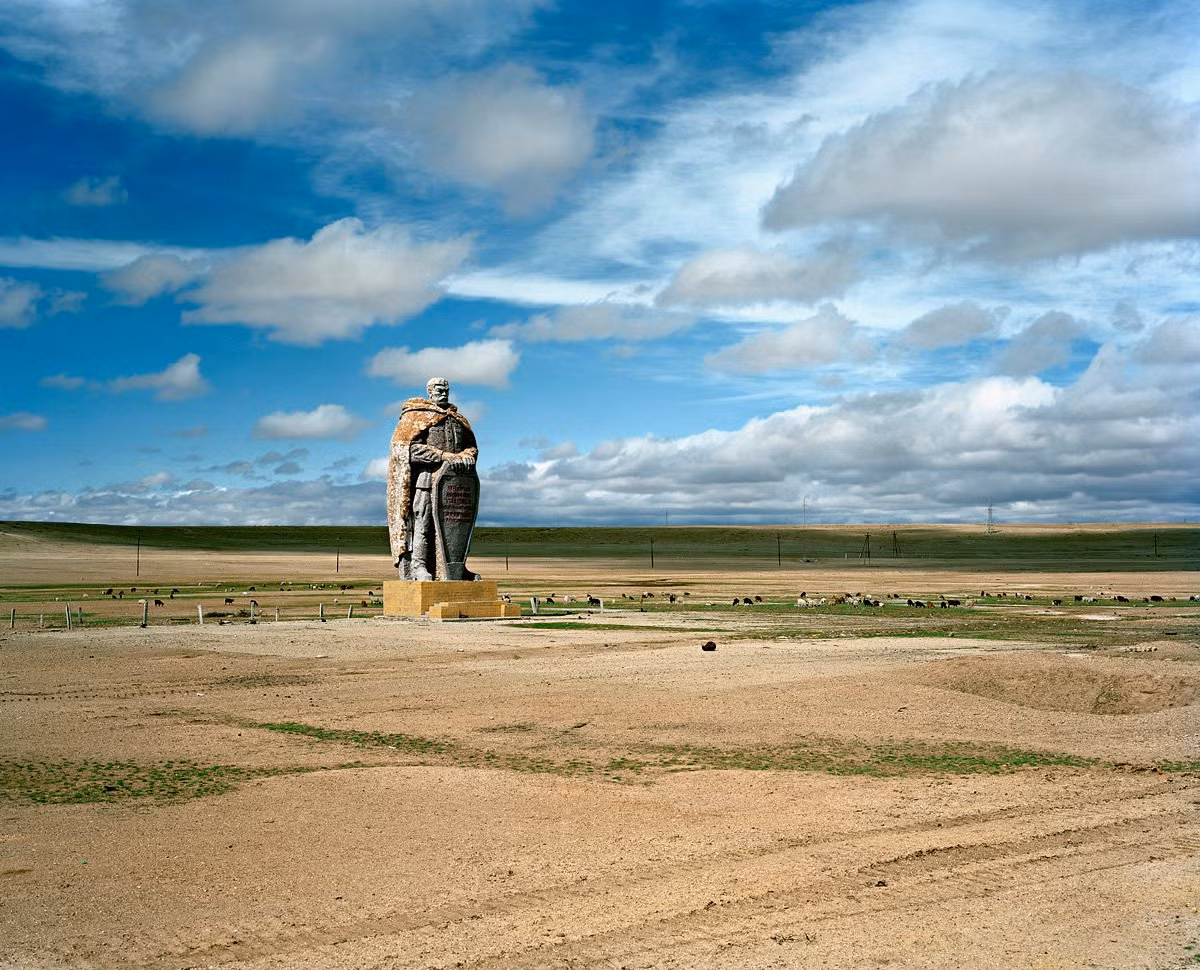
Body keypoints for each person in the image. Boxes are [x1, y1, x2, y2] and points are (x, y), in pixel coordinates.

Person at [386, 378, 478, 580]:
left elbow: (471, 446)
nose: (443, 393)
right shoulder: (415, 416)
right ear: (429, 391)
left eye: (446, 389)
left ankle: (455, 568)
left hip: (455, 483)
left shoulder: (457, 419)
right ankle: (418, 566)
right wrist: (442, 456)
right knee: (423, 525)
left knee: (456, 526)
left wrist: (466, 455)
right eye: (438, 389)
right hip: (426, 481)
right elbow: (407, 449)